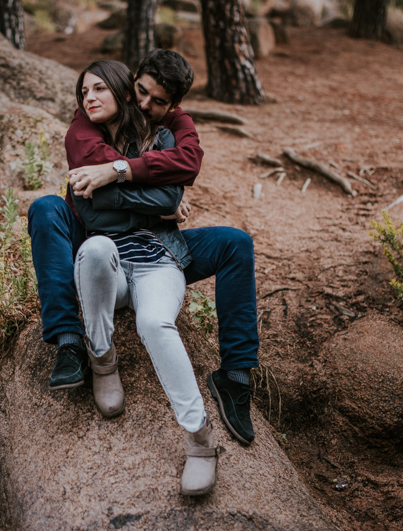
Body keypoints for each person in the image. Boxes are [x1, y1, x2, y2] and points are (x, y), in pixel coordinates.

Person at [27, 50, 260, 447]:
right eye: (140, 93)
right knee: (46, 208)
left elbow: (187, 164)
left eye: (159, 101)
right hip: (100, 247)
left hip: (156, 249)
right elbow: (93, 202)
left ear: (174, 105)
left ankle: (235, 375)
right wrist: (159, 196)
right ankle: (69, 340)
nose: (146, 105)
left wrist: (121, 174)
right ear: (130, 82)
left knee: (236, 243)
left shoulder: (168, 127)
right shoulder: (86, 123)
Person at [69, 60, 217, 495]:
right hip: (110, 269)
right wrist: (152, 204)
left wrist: (113, 183)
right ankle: (102, 357)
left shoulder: (164, 138)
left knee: (154, 322)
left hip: (157, 259)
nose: (90, 98)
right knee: (94, 247)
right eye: (84, 92)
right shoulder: (84, 142)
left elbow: (173, 193)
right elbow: (91, 211)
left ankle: (200, 440)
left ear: (120, 91)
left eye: (99, 89)